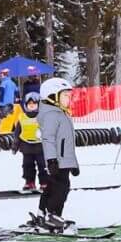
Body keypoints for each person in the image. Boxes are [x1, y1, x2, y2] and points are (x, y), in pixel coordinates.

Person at [36, 77, 79, 230]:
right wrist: (52, 160)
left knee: (52, 187)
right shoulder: (51, 115)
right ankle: (53, 215)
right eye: (65, 96)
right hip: (57, 161)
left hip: (63, 160)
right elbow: (48, 139)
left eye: (69, 96)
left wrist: (73, 164)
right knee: (60, 188)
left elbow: (67, 143)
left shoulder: (60, 113)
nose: (68, 99)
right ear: (52, 96)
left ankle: (43, 212)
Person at [12, 92, 47, 192]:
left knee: (42, 165)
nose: (32, 106)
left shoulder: (42, 117)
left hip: (40, 147)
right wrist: (15, 146)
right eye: (29, 104)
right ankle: (29, 182)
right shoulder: (22, 118)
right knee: (27, 166)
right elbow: (17, 133)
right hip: (26, 146)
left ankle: (44, 183)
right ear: (26, 106)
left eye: (34, 104)